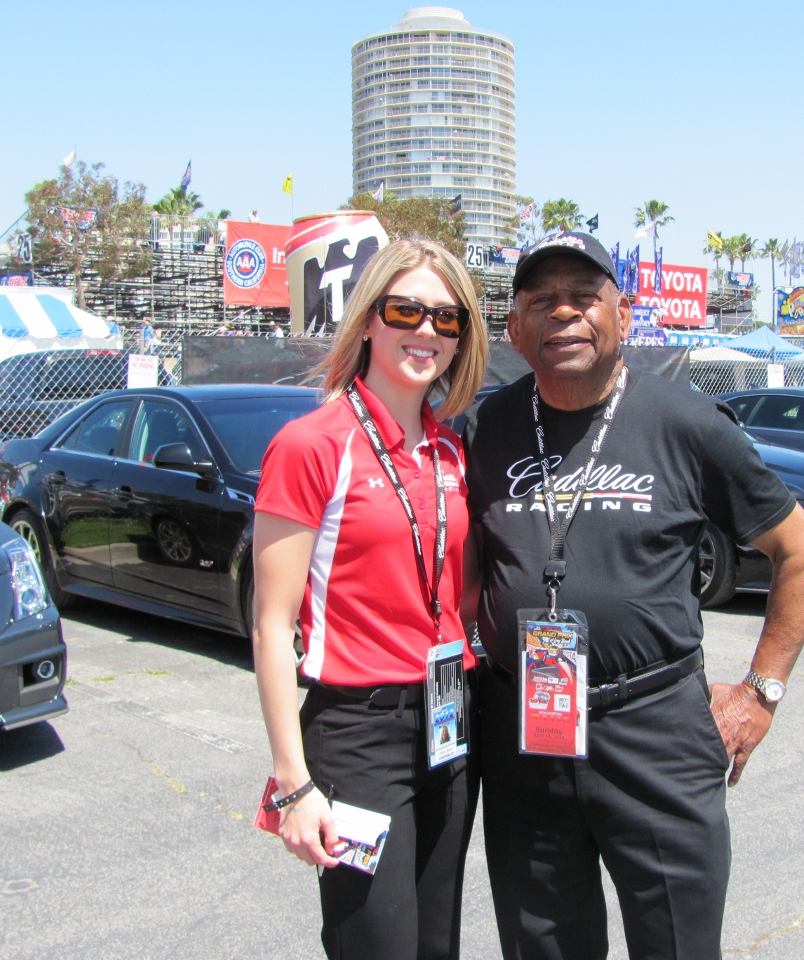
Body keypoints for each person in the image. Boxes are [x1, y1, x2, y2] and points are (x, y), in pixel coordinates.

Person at [464, 232, 804, 960]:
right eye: (541, 301)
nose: (563, 313)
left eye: (583, 297)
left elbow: (803, 549)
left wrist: (762, 691)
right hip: (525, 732)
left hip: (654, 730)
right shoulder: (484, 427)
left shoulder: (685, 422)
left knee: (678, 946)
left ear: (623, 315)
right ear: (514, 329)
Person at [252, 238, 489, 960]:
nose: (426, 331)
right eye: (405, 310)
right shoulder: (311, 444)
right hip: (358, 735)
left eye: (446, 319)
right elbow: (270, 627)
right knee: (375, 945)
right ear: (367, 322)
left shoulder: (451, 451)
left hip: (450, 715)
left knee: (435, 945)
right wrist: (293, 785)